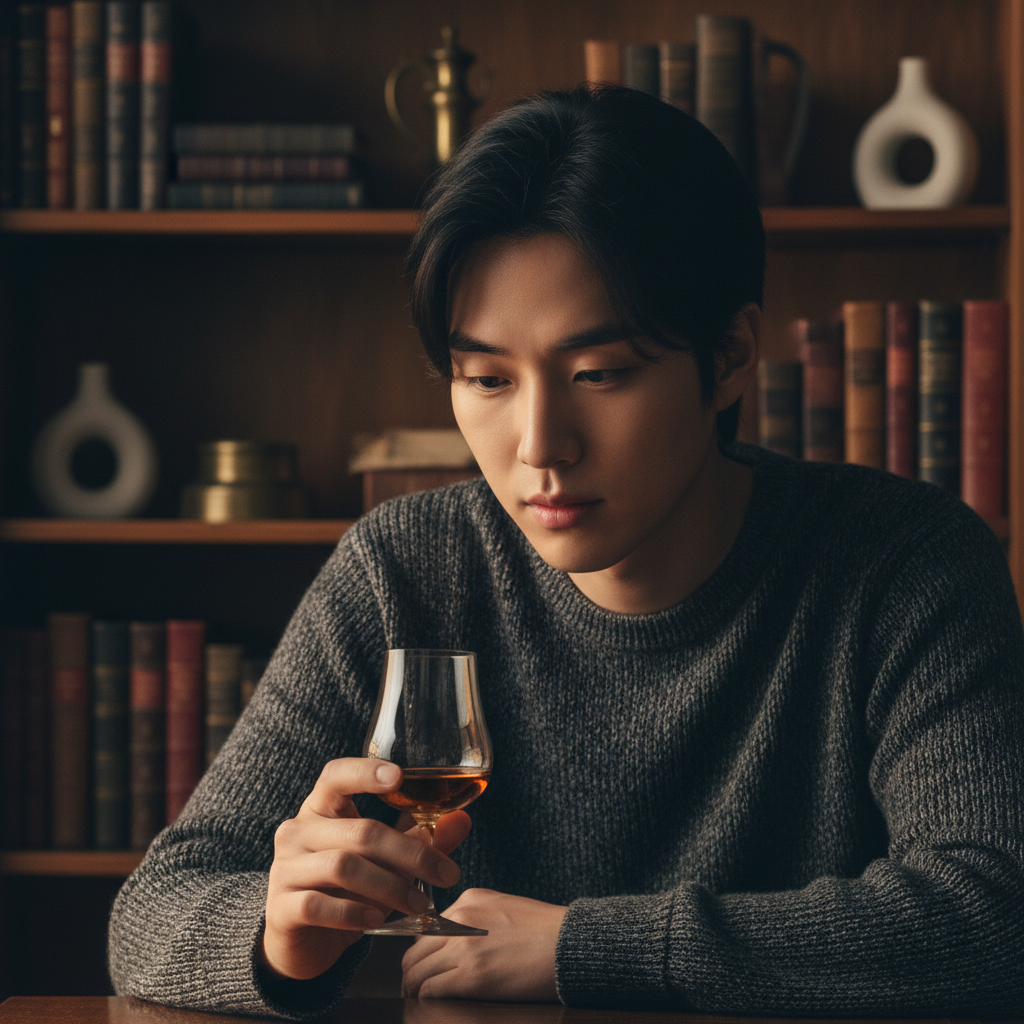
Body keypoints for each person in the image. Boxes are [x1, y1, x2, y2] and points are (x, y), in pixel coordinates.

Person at [108, 85, 1024, 1019]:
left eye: (601, 374)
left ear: (733, 356)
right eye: (488, 379)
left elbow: (994, 918)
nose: (540, 444)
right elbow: (150, 914)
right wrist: (278, 936)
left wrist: (585, 945)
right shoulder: (405, 568)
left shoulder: (905, 562)